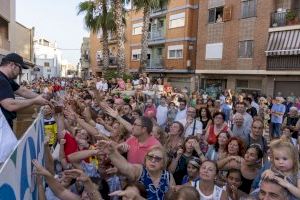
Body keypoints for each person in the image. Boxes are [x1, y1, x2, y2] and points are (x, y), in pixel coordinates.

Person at [99, 142, 176, 199]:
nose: (153, 160)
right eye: (150, 157)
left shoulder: (168, 176)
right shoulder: (140, 170)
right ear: (145, 159)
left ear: (163, 163)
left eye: (157, 159)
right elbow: (126, 167)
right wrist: (112, 153)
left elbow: (173, 197)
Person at [0, 53, 49, 127]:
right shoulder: (1, 79)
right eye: (20, 68)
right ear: (12, 65)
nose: (20, 72)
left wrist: (42, 97)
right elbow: (10, 105)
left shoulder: (7, 79)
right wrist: (34, 101)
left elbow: (22, 91)